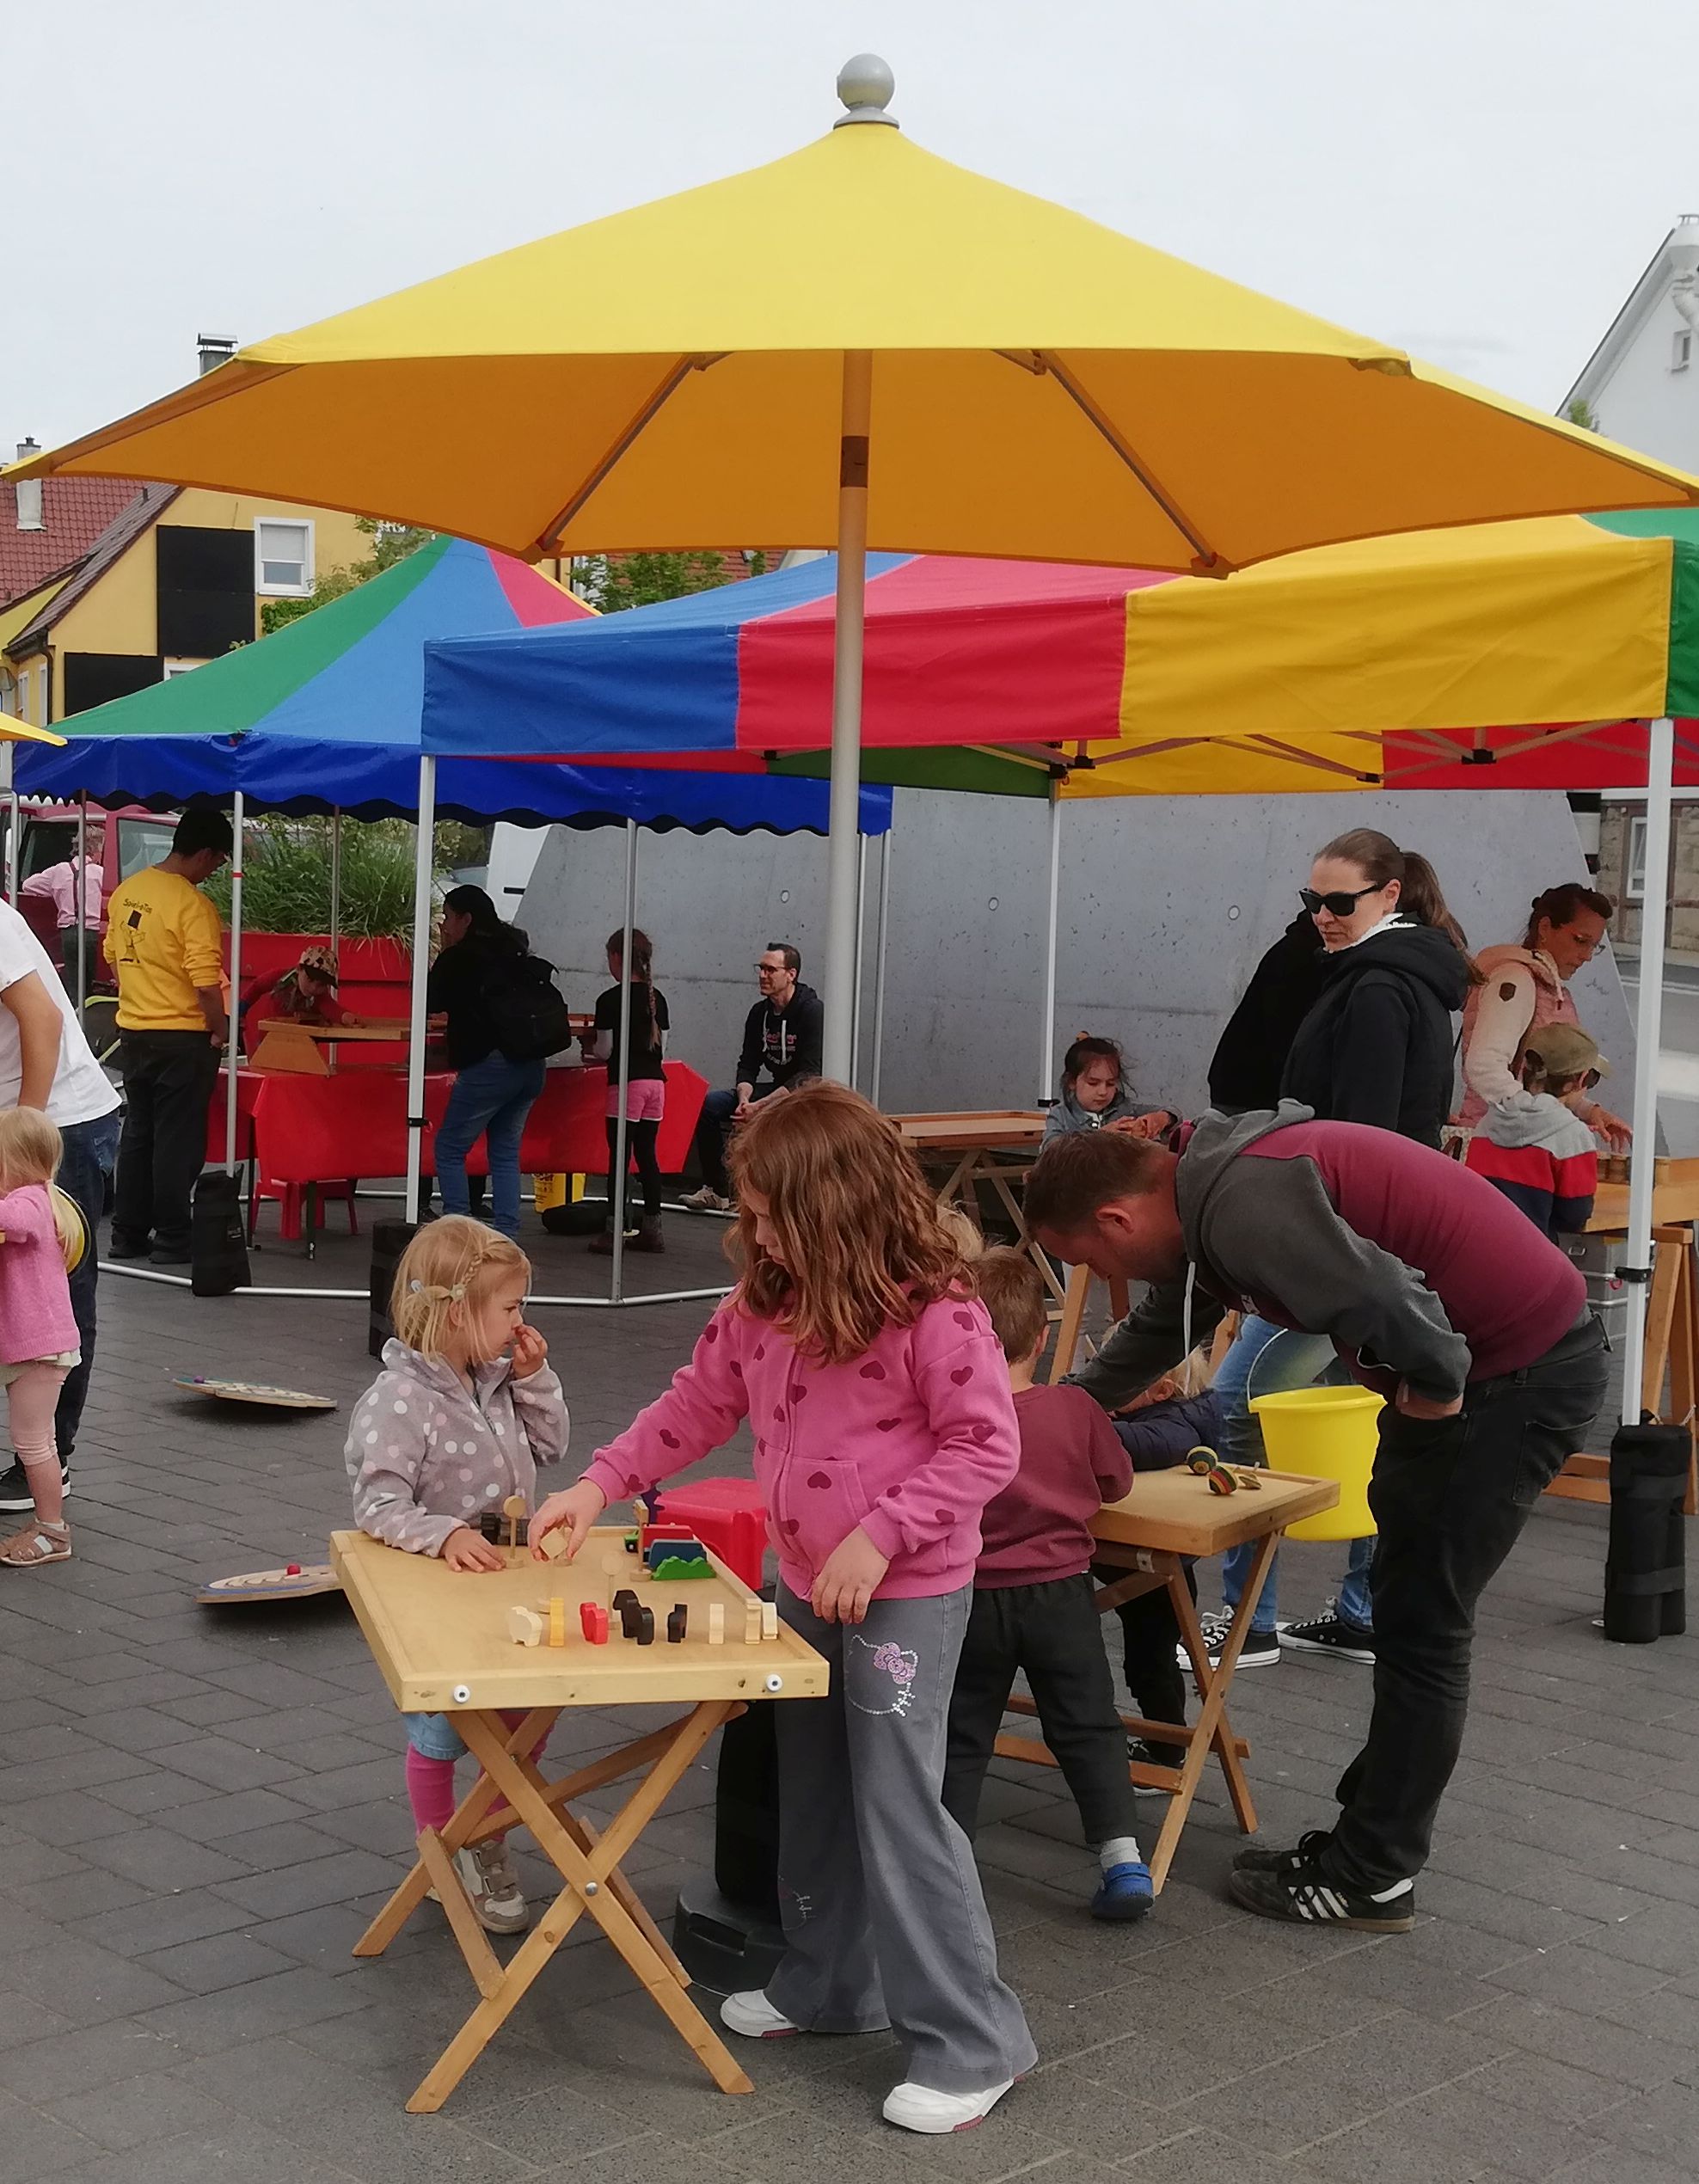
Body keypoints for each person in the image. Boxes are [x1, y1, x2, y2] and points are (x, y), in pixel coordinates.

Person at [531, 1083, 1035, 2135]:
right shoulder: (763, 1302)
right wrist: (596, 1484)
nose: (745, 1227)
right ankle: (828, 1984)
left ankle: (971, 2040)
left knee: (898, 1805)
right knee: (811, 1785)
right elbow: (694, 1404)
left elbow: (987, 1444)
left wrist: (880, 1532)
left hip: (905, 1589)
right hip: (807, 1582)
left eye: (764, 1210)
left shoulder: (938, 1314)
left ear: (829, 1208)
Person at [1027, 1117, 1607, 1932]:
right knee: (1414, 1613)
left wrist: (1438, 1385)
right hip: (1501, 1362)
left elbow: (1380, 1297)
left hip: (1513, 1374)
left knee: (1425, 1629)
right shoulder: (1208, 1192)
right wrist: (1056, 1412)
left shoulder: (1243, 1201)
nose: (1100, 1273)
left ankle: (1371, 1875)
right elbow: (1167, 1324)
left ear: (1118, 1220)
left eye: (1090, 1258)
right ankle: (1368, 1827)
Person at [1213, 830, 1477, 1672]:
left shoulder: (1374, 989)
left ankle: (1246, 1617)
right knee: (1376, 1416)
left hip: (1342, 1253)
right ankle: (1362, 1609)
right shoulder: (1399, 982)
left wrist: (1310, 1249)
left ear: (1388, 895)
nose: (1319, 917)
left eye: (1337, 903)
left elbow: (1353, 1146)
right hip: (1380, 1251)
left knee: (1237, 1407)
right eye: (1308, 902)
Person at [346, 1216, 569, 1933]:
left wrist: (535, 1379)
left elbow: (555, 1447)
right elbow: (378, 1503)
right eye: (510, 1309)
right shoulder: (397, 1399)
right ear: (456, 1312)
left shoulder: (501, 1379)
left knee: (526, 1721)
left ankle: (487, 1837)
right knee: (443, 1732)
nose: (519, 1323)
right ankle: (442, 1851)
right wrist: (442, 1535)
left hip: (510, 1586)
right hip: (440, 1600)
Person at [941, 1247, 1152, 1922]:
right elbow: (1115, 1481)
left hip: (970, 1593)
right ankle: (1122, 1856)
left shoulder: (950, 1415)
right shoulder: (1074, 1407)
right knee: (1088, 1721)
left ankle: (946, 1864)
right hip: (1061, 1593)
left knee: (962, 1729)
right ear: (1042, 1337)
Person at [0, 899, 122, 1516]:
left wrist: (24, 1152)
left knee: (55, 1304)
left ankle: (45, 1460)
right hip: (23, 1128)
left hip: (57, 1125)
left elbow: (41, 1021)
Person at [104, 806, 232, 1267]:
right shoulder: (193, 905)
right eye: (218, 861)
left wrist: (141, 993)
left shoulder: (127, 892)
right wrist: (220, 1029)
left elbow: (114, 958)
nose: (216, 870)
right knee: (178, 1138)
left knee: (139, 1133)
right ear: (202, 853)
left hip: (135, 1030)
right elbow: (205, 982)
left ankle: (127, 1232)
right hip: (183, 1037)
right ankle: (174, 1237)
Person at [1100, 1357, 1220, 1775]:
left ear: (1162, 1391)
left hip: (1157, 1558)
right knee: (1147, 1654)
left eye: (1119, 1377)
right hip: (1133, 1547)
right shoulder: (1155, 1408)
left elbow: (1154, 1442)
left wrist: (1081, 1424)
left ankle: (1167, 1750)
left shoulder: (1176, 1423)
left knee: (1150, 1661)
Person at [1461, 881, 1631, 1151]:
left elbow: (1547, 1082)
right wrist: (1545, 1117)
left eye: (1594, 946)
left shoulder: (1543, 986)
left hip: (1515, 1140)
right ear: (1545, 928)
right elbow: (1485, 1066)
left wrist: (1588, 1110)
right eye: (1580, 940)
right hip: (1499, 1145)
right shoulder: (1516, 980)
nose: (1586, 956)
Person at [427, 886, 547, 1241]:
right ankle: (506, 1234)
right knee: (506, 1153)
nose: (445, 926)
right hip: (530, 1062)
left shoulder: (461, 956)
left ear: (466, 918)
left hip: (488, 1063)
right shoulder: (515, 947)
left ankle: (458, 1233)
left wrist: (446, 953)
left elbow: (432, 1000)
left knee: (449, 1148)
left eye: (448, 917)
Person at [0, 1108, 83, 1567]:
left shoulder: (32, 1199)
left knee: (34, 1442)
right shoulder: (34, 1197)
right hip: (28, 1343)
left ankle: (54, 1531)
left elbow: (14, 1220)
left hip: (39, 1347)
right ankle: (47, 1525)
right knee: (34, 1440)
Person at [684, 942, 823, 1213]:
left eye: (771, 969)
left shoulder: (811, 1009)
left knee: (773, 1117)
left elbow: (809, 1074)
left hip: (802, 1094)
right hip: (769, 1090)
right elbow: (748, 1063)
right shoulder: (759, 1013)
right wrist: (745, 1099)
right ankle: (716, 1191)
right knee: (711, 1105)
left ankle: (777, 1200)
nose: (763, 975)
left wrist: (760, 1106)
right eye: (761, 968)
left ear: (791, 974)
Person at [1464, 1023, 1601, 1240]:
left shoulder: (1489, 1121)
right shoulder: (1573, 1135)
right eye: (1592, 1080)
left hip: (1474, 1246)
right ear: (1579, 1081)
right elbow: (1575, 1216)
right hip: (1533, 1255)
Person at [585, 927, 669, 1256]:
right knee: (648, 1156)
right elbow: (663, 1045)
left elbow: (606, 1050)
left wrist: (589, 1051)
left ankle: (613, 1228)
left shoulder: (609, 1000)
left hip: (626, 1084)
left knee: (619, 1156)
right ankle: (653, 1227)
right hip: (655, 1084)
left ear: (617, 957)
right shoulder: (657, 998)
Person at [1207, 909, 1326, 1113]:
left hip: (1255, 1091)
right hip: (1249, 1097)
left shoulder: (1310, 950)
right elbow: (1288, 1042)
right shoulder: (1299, 955)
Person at [21, 813, 105, 997]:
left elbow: (28, 885)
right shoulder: (100, 873)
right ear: (94, 849)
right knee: (92, 982)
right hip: (91, 932)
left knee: (73, 982)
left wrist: (54, 892)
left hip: (68, 932)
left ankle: (75, 1011)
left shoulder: (59, 870)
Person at [1042, 1034, 1175, 1143]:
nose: (1103, 1092)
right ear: (1072, 1082)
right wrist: (1099, 1138)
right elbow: (1051, 1151)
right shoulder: (1061, 1116)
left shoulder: (1125, 1109)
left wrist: (1162, 1118)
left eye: (1111, 1084)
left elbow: (1175, 1113)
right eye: (1093, 1083)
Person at [239, 944, 360, 1055]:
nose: (313, 988)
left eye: (321, 985)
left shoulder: (320, 996)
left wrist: (345, 1016)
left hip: (300, 1047)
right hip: (269, 1041)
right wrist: (242, 1008)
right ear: (299, 969)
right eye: (310, 980)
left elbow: (330, 1007)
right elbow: (257, 987)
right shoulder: (280, 977)